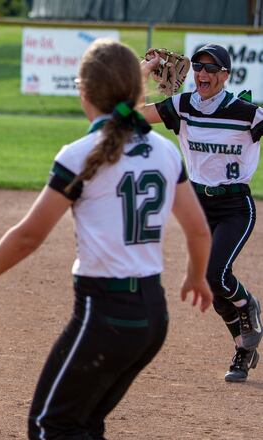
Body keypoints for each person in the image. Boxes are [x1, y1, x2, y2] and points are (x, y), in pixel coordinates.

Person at [0, 39, 213, 439]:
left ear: (83, 91)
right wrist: (196, 277)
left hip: (104, 313)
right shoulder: (163, 151)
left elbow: (28, 237)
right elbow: (198, 230)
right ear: (133, 91)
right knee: (84, 424)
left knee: (50, 425)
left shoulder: (80, 154)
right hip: (152, 315)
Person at [141, 43, 263, 382]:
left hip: (235, 207)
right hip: (198, 208)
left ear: (225, 75)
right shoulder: (182, 106)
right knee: (211, 284)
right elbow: (128, 112)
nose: (203, 74)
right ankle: (243, 347)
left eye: (212, 68)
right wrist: (146, 69)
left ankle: (248, 305)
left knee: (214, 275)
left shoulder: (246, 113)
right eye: (198, 67)